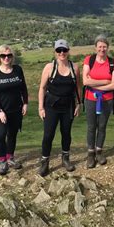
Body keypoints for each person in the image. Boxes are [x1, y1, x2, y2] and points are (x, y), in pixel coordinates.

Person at [38, 39, 80, 176]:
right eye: (59, 50)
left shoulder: (75, 67)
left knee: (66, 133)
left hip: (68, 105)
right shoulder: (49, 67)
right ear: (55, 52)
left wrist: (79, 103)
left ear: (68, 51)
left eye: (64, 50)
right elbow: (42, 88)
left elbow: (78, 87)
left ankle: (65, 158)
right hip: (51, 105)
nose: (62, 53)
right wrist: (40, 107)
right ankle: (45, 162)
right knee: (48, 134)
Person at [0, 45, 28, 176]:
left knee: (12, 134)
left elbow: (23, 88)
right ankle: (2, 161)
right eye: (3, 56)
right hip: (1, 111)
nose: (6, 58)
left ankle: (10, 157)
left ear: (12, 57)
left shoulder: (17, 69)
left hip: (16, 109)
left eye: (9, 55)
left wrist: (25, 103)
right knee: (0, 135)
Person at [82, 34, 114, 168]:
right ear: (95, 47)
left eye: (104, 47)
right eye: (100, 47)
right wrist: (105, 81)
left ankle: (99, 151)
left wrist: (94, 83)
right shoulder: (89, 60)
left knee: (102, 126)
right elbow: (85, 81)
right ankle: (90, 154)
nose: (102, 49)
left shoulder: (112, 62)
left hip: (107, 100)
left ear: (107, 48)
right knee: (92, 127)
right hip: (90, 98)